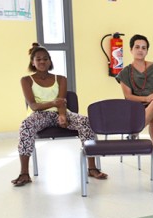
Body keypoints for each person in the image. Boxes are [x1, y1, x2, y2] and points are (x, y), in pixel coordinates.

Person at [13, 44, 107, 187]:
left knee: (86, 121)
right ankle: (24, 173)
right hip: (39, 114)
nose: (42, 62)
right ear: (33, 62)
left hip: (60, 112)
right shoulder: (26, 80)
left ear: (50, 61)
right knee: (26, 126)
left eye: (45, 59)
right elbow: (33, 105)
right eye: (38, 59)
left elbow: (62, 101)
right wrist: (53, 102)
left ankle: (92, 168)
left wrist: (62, 115)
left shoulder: (61, 79)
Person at [116, 34, 153, 170]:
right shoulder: (125, 72)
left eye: (144, 48)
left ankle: (134, 131)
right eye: (137, 47)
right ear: (131, 50)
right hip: (137, 107)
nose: (140, 50)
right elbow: (128, 96)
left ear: (147, 51)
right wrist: (146, 99)